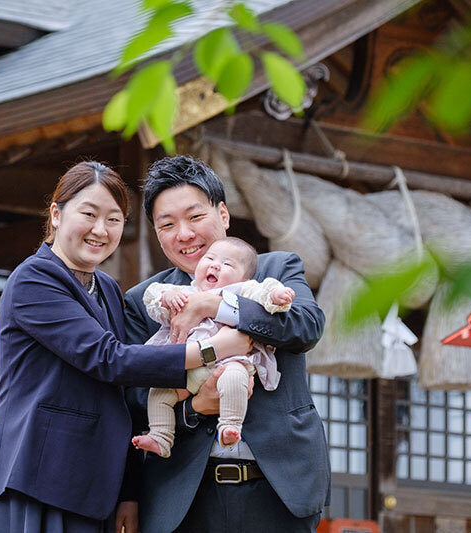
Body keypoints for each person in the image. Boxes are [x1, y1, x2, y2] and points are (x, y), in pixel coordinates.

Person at [0, 161, 252, 533]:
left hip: (90, 486)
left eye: (114, 219)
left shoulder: (110, 291)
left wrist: (127, 493)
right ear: (56, 214)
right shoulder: (33, 279)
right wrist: (215, 348)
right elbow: (108, 359)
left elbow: (121, 398)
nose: (101, 229)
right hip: (30, 476)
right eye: (89, 214)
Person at [125, 155, 330, 532]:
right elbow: (133, 397)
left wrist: (212, 303)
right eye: (167, 224)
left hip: (279, 490)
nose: (184, 234)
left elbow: (306, 326)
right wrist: (196, 406)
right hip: (183, 497)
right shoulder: (147, 300)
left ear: (223, 214)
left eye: (195, 216)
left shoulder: (275, 270)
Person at [132, 237, 296, 458]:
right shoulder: (184, 292)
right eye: (209, 258)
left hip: (227, 364)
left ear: (244, 277)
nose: (215, 265)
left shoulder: (242, 289)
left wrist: (276, 296)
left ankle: (230, 426)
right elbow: (153, 299)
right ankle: (161, 436)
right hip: (185, 372)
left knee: (235, 379)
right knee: (158, 393)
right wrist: (167, 297)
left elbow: (264, 292)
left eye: (228, 264)